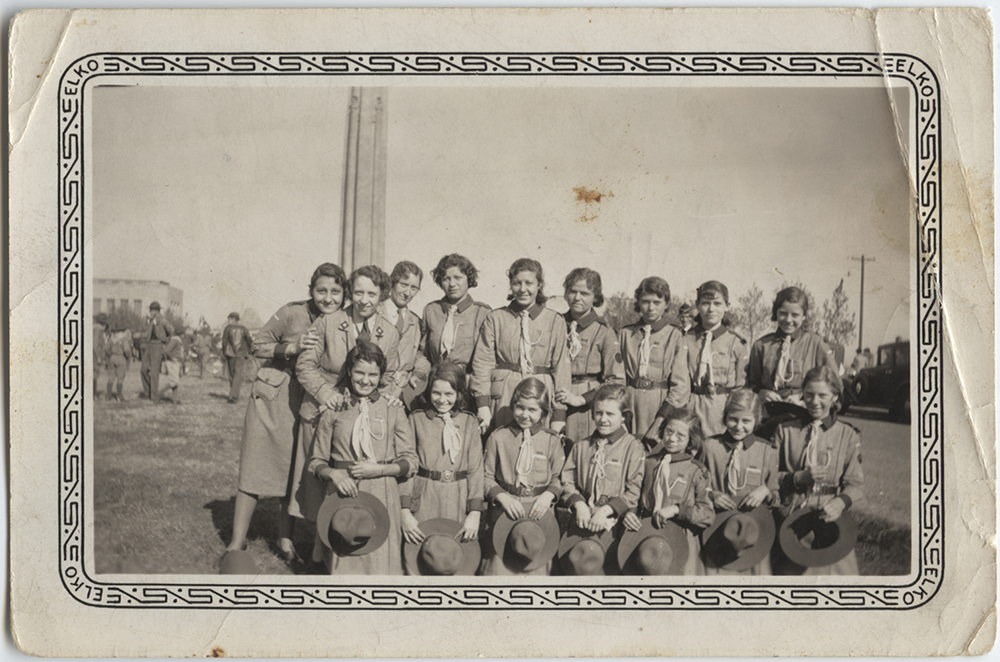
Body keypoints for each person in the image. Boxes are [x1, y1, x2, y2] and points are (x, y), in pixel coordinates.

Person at [223, 263, 346, 564]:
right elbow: (258, 346)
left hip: (310, 402)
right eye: (321, 291)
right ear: (311, 291)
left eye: (335, 292)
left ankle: (285, 540)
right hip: (274, 398)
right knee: (255, 464)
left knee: (293, 471)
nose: (328, 298)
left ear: (344, 294)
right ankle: (237, 543)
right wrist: (292, 346)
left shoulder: (344, 321)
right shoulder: (292, 312)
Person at [292, 265, 402, 524]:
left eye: (372, 294)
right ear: (351, 291)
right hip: (323, 408)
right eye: (359, 292)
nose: (364, 300)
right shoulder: (328, 321)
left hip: (362, 416)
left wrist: (390, 396)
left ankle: (349, 530)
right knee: (317, 478)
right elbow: (305, 365)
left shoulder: (390, 333)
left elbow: (388, 377)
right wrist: (324, 393)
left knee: (355, 476)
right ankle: (317, 547)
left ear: (382, 295)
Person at [307, 342, 417, 575]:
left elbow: (410, 461)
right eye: (359, 373)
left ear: (380, 376)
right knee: (347, 555)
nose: (366, 380)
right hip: (343, 493)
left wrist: (379, 470)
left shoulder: (393, 408)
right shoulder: (333, 408)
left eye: (373, 375)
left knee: (381, 565)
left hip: (382, 492)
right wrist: (334, 474)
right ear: (349, 371)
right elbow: (315, 461)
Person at [772, 366, 864, 575]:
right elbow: (768, 477)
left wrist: (840, 502)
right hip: (792, 519)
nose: (815, 402)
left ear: (835, 397)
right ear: (802, 394)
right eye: (809, 395)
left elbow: (855, 483)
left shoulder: (847, 435)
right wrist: (797, 477)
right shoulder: (785, 430)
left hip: (829, 520)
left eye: (822, 395)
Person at [471, 258, 570, 434]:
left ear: (539, 285)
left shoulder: (555, 320)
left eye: (529, 283)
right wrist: (482, 405)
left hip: (540, 395)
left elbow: (561, 369)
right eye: (517, 283)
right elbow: (482, 363)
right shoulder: (496, 318)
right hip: (504, 396)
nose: (523, 289)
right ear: (511, 285)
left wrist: (559, 415)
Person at [399, 362, 484, 562]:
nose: (442, 400)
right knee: (424, 555)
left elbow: (476, 470)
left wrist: (475, 512)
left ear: (459, 394)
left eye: (449, 394)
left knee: (452, 556)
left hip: (458, 496)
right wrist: (404, 510)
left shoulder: (469, 422)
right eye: (436, 393)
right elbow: (408, 467)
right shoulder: (417, 420)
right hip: (425, 495)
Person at [481, 377, 564, 576]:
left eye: (532, 410)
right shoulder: (498, 437)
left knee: (535, 570)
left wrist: (548, 496)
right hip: (505, 515)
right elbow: (485, 477)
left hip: (539, 514)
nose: (524, 415)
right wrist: (502, 497)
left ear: (544, 412)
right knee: (499, 571)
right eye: (520, 407)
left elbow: (560, 477)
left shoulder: (551, 440)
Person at [624, 407, 713, 575]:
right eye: (669, 431)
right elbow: (634, 493)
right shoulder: (648, 463)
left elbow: (707, 514)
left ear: (691, 439)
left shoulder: (697, 471)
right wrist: (630, 512)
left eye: (680, 436)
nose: (672, 439)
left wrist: (678, 509)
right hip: (647, 535)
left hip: (681, 538)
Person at [699, 389, 778, 575]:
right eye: (733, 419)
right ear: (725, 416)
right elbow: (697, 485)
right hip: (719, 531)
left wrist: (765, 491)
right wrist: (711, 494)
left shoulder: (767, 451)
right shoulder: (710, 447)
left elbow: (776, 495)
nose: (738, 426)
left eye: (746, 421)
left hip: (751, 534)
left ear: (757, 419)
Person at [559, 383, 645, 536]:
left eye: (610, 414)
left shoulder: (632, 448)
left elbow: (633, 490)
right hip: (583, 519)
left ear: (624, 417)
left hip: (615, 523)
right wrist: (579, 505)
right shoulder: (581, 447)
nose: (603, 419)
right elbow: (567, 480)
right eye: (598, 413)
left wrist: (606, 510)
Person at [553, 268, 625, 447]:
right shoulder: (555, 324)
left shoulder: (604, 331)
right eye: (572, 291)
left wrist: (582, 399)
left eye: (584, 293)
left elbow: (616, 380)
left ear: (596, 297)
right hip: (555, 398)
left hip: (586, 406)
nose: (577, 298)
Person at [618, 277, 690, 440]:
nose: (650, 308)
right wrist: (619, 413)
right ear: (638, 303)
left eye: (657, 302)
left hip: (660, 406)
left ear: (666, 304)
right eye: (645, 302)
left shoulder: (675, 336)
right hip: (629, 406)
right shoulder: (625, 334)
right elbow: (617, 378)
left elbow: (681, 386)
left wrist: (660, 421)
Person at [676, 281, 749, 437]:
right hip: (690, 407)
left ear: (727, 306)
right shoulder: (685, 339)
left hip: (721, 411)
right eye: (705, 303)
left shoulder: (736, 343)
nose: (711, 309)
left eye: (717, 304)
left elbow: (740, 387)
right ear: (697, 305)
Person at [747, 287, 839, 407]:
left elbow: (835, 386)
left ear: (804, 316)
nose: (788, 320)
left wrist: (805, 398)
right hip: (768, 412)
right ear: (776, 313)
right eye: (783, 314)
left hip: (803, 411)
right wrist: (762, 392)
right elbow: (751, 384)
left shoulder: (816, 343)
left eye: (795, 315)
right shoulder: (761, 345)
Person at [420, 254, 491, 373]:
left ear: (469, 279)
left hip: (467, 381)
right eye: (446, 279)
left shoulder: (482, 313)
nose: (452, 284)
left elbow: (486, 358)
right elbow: (422, 352)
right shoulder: (431, 311)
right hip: (437, 381)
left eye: (458, 277)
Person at [380, 261, 432, 407]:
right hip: (376, 388)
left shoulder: (415, 322)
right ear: (392, 283)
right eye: (404, 284)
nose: (407, 293)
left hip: (402, 393)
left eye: (414, 288)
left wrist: (416, 374)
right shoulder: (374, 312)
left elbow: (420, 354)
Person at [140, 301, 174, 403]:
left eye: (151, 310)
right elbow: (148, 334)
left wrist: (166, 343)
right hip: (150, 345)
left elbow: (172, 330)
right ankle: (148, 392)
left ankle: (153, 397)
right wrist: (140, 335)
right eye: (150, 310)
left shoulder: (162, 321)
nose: (150, 312)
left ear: (156, 311)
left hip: (158, 346)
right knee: (143, 369)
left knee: (154, 371)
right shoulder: (151, 321)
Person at [222, 312, 253, 404]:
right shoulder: (244, 329)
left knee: (232, 374)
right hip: (241, 354)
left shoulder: (227, 328)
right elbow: (249, 340)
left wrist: (224, 352)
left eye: (229, 318)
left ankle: (233, 395)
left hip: (230, 353)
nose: (228, 320)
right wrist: (249, 351)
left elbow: (224, 342)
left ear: (232, 319)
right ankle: (234, 395)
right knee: (238, 374)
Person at [104, 322, 133, 401]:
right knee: (120, 378)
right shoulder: (124, 338)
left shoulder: (112, 338)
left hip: (112, 358)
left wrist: (111, 354)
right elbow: (126, 350)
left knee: (111, 378)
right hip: (121, 358)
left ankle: (108, 396)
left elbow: (106, 348)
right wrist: (128, 357)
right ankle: (119, 396)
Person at [158, 333, 184, 403]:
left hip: (176, 362)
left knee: (175, 381)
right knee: (174, 381)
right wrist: (173, 358)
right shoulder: (175, 340)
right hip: (172, 362)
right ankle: (159, 393)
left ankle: (175, 399)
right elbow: (166, 350)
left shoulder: (177, 339)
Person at [93, 313, 109, 399]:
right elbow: (95, 344)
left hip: (95, 354)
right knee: (94, 374)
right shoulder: (98, 330)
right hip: (95, 356)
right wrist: (98, 356)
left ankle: (93, 394)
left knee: (95, 374)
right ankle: (92, 395)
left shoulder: (97, 329)